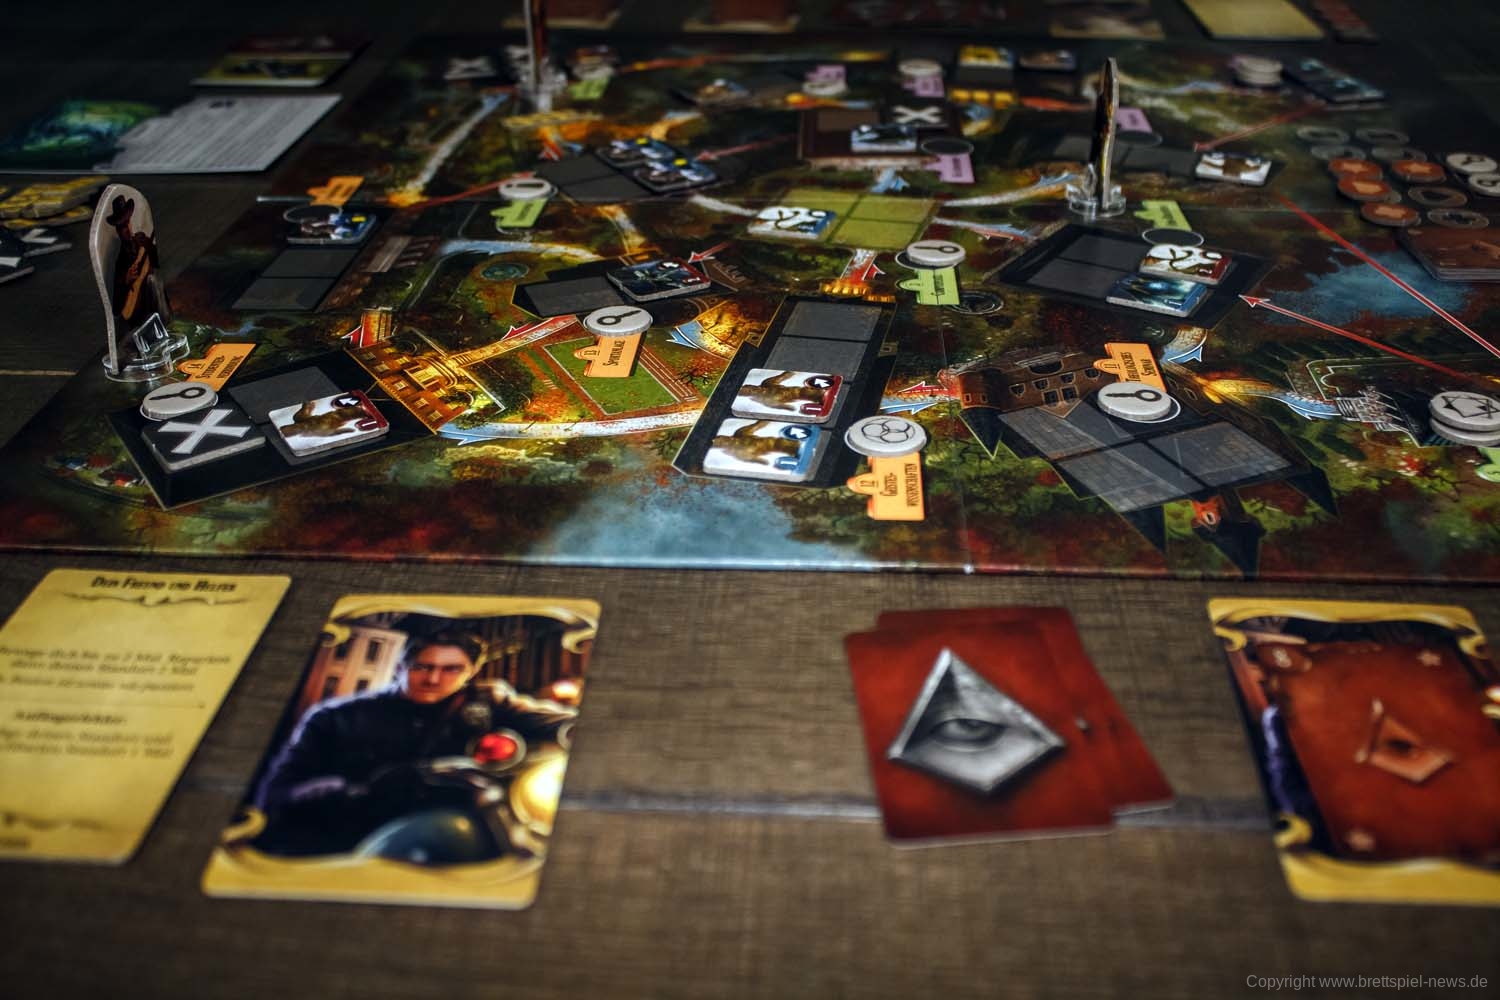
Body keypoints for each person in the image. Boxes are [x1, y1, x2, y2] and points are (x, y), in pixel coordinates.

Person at [253, 629, 576, 855]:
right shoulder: (336, 717)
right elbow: (276, 795)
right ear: (400, 666)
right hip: (358, 833)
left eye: (452, 669)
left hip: (479, 824)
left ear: (471, 671)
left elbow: (558, 721)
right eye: (422, 667)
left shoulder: (489, 699)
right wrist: (360, 790)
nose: (434, 679)